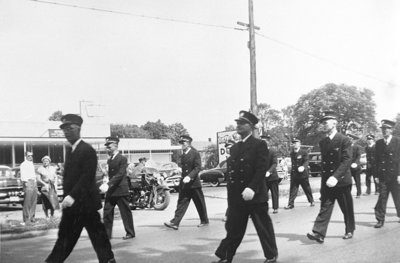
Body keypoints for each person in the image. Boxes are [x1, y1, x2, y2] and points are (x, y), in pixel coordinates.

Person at [45, 114, 115, 263]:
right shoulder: (71, 151)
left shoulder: (87, 150)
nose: (67, 132)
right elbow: (70, 178)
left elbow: (87, 177)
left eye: (70, 128)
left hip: (85, 204)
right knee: (69, 239)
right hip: (76, 206)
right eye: (64, 129)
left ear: (78, 129)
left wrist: (71, 196)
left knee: (95, 238)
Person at [213, 111, 278, 263]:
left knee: (263, 228)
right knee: (234, 229)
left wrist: (252, 188)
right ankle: (225, 256)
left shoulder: (259, 144)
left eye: (242, 123)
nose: (238, 126)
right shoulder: (234, 148)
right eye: (237, 123)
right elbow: (233, 176)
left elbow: (261, 169)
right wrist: (231, 201)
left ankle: (271, 255)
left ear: (251, 126)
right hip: (237, 197)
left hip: (254, 195)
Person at [307, 110, 355, 243]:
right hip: (328, 181)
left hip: (341, 180)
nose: (324, 125)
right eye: (322, 123)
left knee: (346, 206)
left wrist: (336, 176)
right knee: (325, 206)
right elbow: (325, 163)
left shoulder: (344, 140)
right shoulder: (323, 142)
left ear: (334, 123)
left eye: (326, 122)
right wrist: (325, 181)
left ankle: (349, 229)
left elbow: (346, 160)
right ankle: (319, 233)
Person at [164, 135, 209, 230]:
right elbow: (185, 167)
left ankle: (204, 220)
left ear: (188, 143)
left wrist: (189, 176)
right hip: (184, 183)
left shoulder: (195, 153)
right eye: (181, 143)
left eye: (183, 142)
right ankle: (175, 222)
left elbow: (197, 167)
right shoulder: (183, 154)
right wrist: (179, 170)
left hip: (193, 183)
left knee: (199, 203)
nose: (182, 144)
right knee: (181, 202)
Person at [100, 136, 135, 240]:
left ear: (115, 146)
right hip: (112, 190)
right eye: (107, 146)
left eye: (109, 146)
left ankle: (130, 232)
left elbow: (120, 174)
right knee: (107, 211)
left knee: (125, 212)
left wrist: (108, 184)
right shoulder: (110, 160)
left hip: (120, 189)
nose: (107, 148)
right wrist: (106, 180)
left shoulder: (122, 159)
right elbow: (110, 174)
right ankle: (107, 234)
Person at [374, 119, 400, 228]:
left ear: (391, 130)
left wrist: (399, 174)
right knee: (382, 197)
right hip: (383, 176)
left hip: (395, 176)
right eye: (383, 129)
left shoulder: (398, 141)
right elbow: (376, 160)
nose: (384, 131)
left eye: (387, 129)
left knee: (397, 197)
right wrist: (375, 175)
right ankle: (380, 219)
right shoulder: (379, 143)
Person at [285, 138, 314, 209]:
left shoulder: (304, 152)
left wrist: (303, 167)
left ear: (299, 144)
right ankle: (290, 204)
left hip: (302, 174)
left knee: (306, 188)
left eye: (296, 143)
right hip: (295, 175)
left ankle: (311, 201)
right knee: (293, 190)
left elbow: (306, 161)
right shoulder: (292, 153)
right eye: (293, 143)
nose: (294, 144)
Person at [261, 134, 280, 214]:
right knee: (262, 194)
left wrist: (269, 171)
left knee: (274, 193)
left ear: (268, 142)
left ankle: (275, 208)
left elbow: (275, 163)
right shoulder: (259, 152)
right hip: (263, 177)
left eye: (265, 141)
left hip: (272, 176)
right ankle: (262, 209)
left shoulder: (272, 151)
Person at [20, 151, 38, 224]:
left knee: (34, 201)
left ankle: (32, 218)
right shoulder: (23, 164)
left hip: (34, 182)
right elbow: (23, 174)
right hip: (28, 182)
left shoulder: (31, 164)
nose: (30, 157)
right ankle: (26, 219)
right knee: (27, 201)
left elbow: (33, 174)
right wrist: (25, 182)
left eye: (31, 155)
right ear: (26, 156)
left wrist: (35, 182)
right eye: (29, 155)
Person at [347, 133, 362, 198]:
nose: (349, 140)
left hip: (355, 167)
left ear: (353, 140)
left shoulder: (357, 147)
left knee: (357, 181)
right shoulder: (346, 147)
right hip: (348, 167)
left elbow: (358, 156)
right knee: (348, 181)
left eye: (350, 139)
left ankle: (358, 193)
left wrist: (356, 163)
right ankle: (348, 194)